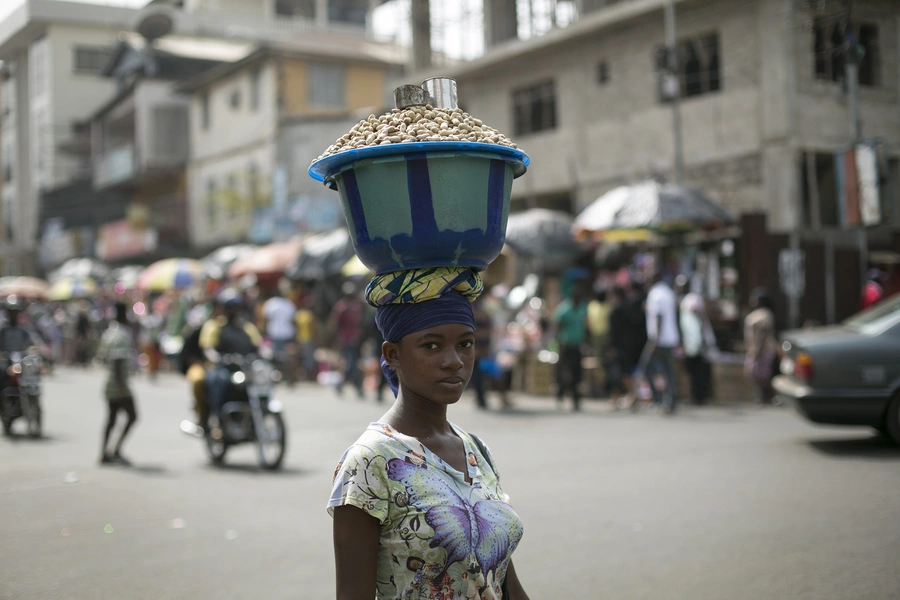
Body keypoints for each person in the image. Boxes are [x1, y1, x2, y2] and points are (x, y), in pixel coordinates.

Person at [328, 267, 529, 600]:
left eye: (465, 343)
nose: (454, 361)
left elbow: (502, 579)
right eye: (432, 346)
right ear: (393, 354)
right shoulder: (370, 462)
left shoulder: (475, 448)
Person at [199, 290, 262, 429]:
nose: (233, 311)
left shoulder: (247, 327)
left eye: (235, 307)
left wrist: (268, 354)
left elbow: (258, 346)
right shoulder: (214, 326)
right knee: (219, 380)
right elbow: (208, 348)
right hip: (222, 368)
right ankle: (217, 418)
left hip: (244, 369)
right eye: (229, 307)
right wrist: (216, 357)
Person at [96, 302, 138, 465]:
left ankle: (105, 453)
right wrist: (122, 387)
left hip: (111, 382)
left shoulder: (109, 333)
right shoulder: (121, 335)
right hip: (118, 384)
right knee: (132, 416)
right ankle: (115, 450)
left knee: (111, 419)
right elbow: (118, 361)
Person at [639, 272, 681, 413]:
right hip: (670, 338)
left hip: (658, 339)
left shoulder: (655, 294)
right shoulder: (668, 292)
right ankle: (670, 401)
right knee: (668, 371)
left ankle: (659, 399)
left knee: (645, 368)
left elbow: (659, 315)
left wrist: (655, 340)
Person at [678, 279, 717, 405]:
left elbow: (699, 320)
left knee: (697, 370)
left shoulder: (693, 299)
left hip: (696, 342)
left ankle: (700, 396)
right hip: (690, 342)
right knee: (692, 370)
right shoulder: (684, 300)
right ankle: (696, 395)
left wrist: (701, 340)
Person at [552, 278, 589, 411]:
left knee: (577, 374)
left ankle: (576, 400)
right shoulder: (564, 310)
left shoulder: (582, 308)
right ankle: (560, 395)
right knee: (563, 374)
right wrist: (558, 347)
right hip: (565, 346)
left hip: (577, 345)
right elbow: (557, 328)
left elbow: (585, 326)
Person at [329, 282, 366, 399]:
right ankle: (357, 387)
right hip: (345, 339)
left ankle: (342, 385)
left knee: (354, 363)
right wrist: (339, 340)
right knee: (351, 363)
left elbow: (358, 323)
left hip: (355, 339)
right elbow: (335, 325)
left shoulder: (356, 306)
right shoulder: (341, 307)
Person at [607, 287, 641, 408]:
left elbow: (613, 331)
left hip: (618, 348)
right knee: (624, 373)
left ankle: (616, 399)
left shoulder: (616, 311)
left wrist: (611, 346)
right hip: (628, 347)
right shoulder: (630, 309)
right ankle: (631, 396)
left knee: (617, 374)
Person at [744, 288, 778, 404]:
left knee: (762, 374)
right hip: (755, 348)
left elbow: (762, 333)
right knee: (755, 373)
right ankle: (762, 396)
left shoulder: (765, 315)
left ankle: (767, 397)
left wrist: (757, 349)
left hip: (763, 349)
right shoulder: (757, 314)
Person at [586, 288, 611, 396]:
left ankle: (601, 388)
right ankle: (595, 388)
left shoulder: (606, 307)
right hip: (596, 337)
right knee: (596, 363)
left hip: (603, 338)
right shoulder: (593, 305)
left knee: (601, 363)